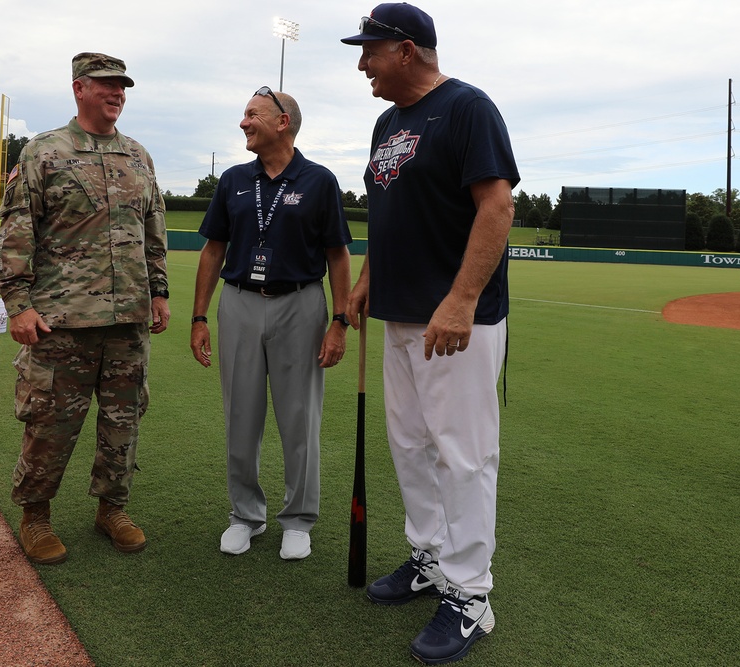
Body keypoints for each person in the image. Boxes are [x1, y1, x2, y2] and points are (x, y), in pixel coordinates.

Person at [341, 4, 520, 664]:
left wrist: (462, 298)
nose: (363, 63)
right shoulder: (387, 123)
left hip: (457, 324)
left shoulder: (469, 108)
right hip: (401, 313)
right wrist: (365, 278)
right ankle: (429, 558)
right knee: (412, 445)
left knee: (463, 453)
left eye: (371, 51)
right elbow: (389, 212)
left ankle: (472, 592)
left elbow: (497, 205)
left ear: (408, 50)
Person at [0, 52, 169, 563]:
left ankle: (112, 508)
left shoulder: (138, 156)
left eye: (122, 87)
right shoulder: (43, 152)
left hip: (128, 320)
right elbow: (17, 230)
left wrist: (158, 291)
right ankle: (36, 517)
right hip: (60, 320)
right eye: (106, 85)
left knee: (124, 419)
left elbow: (152, 232)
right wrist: (18, 304)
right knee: (49, 420)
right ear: (79, 89)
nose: (117, 94)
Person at [191, 87, 352, 561]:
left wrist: (339, 320)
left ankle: (298, 519)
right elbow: (213, 251)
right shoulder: (233, 180)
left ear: (283, 122)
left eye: (252, 114)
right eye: (244, 115)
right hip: (239, 302)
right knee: (241, 414)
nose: (244, 122)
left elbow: (338, 255)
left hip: (300, 304)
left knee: (300, 418)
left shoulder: (319, 180)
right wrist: (200, 316)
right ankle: (245, 515)